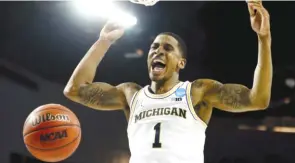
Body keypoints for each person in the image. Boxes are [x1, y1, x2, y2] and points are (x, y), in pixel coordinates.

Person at [63, 1, 272, 163]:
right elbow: (74, 90)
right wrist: (104, 41)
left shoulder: (197, 91)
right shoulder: (131, 94)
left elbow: (258, 99)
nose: (158, 51)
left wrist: (264, 39)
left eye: (167, 48)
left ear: (181, 63)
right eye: (154, 47)